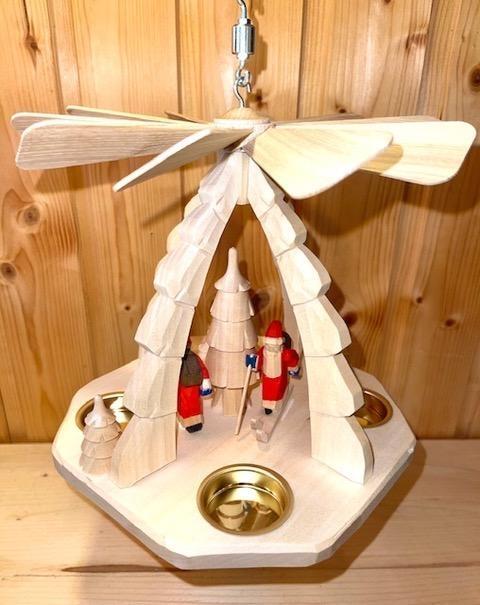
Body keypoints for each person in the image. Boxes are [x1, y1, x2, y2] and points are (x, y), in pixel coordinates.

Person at [246, 320, 300, 414]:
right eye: (269, 345)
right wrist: (253, 362)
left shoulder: (284, 353)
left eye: (273, 346)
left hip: (280, 377)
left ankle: (278, 404)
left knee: (279, 391)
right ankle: (267, 407)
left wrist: (293, 367)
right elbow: (258, 360)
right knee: (267, 393)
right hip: (266, 377)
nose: (271, 348)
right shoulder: (263, 351)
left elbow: (293, 360)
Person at [177, 339, 212, 432]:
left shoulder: (178, 359)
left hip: (184, 388)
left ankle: (188, 423)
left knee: (185, 405)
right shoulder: (194, 356)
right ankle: (195, 423)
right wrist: (206, 380)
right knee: (193, 405)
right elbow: (203, 368)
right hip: (193, 387)